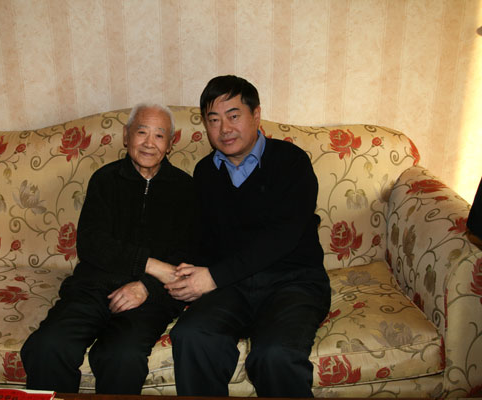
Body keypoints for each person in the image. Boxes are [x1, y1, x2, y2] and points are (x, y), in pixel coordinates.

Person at [165, 75, 331, 397]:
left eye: (233, 116)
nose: (224, 129)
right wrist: (176, 274)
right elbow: (199, 239)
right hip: (232, 288)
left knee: (274, 356)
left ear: (256, 115)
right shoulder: (204, 173)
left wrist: (213, 277)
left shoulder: (291, 162)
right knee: (192, 335)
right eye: (214, 120)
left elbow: (283, 237)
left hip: (292, 283)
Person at [21, 103, 196, 394]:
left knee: (121, 357)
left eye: (159, 135)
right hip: (92, 288)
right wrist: (150, 264)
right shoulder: (105, 179)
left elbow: (187, 254)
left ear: (170, 144)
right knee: (48, 347)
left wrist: (146, 286)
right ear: (126, 136)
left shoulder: (186, 189)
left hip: (149, 298)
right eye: (141, 132)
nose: (149, 143)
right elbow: (91, 244)